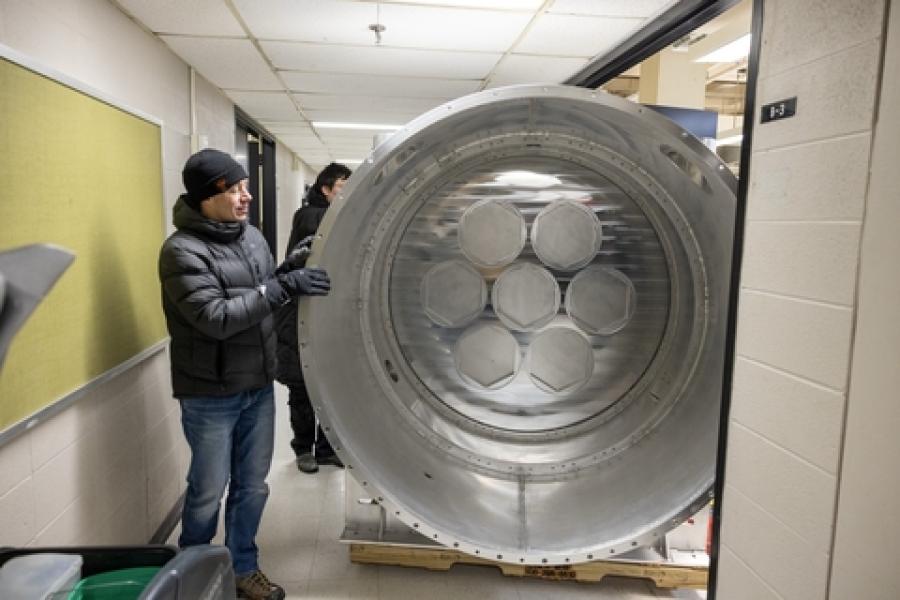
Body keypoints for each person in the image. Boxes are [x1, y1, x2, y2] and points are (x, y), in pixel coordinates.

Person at [158, 148, 330, 600]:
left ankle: (243, 568)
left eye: (244, 187)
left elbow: (259, 286)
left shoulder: (250, 237)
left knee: (252, 486)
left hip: (256, 384)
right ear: (203, 198)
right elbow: (216, 316)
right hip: (210, 392)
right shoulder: (181, 251)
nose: (244, 196)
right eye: (232, 190)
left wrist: (289, 267)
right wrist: (280, 287)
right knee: (207, 489)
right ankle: (191, 568)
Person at [275, 162, 352, 473]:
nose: (346, 197)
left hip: (318, 311)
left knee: (322, 384)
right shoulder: (313, 217)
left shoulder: (325, 215)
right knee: (304, 385)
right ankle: (305, 449)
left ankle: (322, 448)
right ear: (325, 190)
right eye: (341, 190)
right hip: (302, 312)